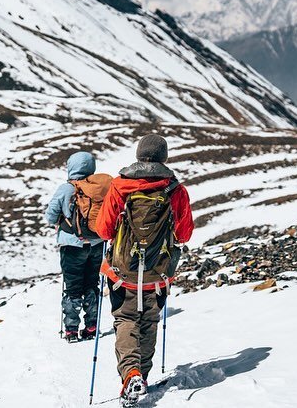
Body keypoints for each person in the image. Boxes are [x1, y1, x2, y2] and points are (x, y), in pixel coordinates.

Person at [96, 134, 194, 406]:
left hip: (122, 272)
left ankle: (131, 376)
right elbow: (184, 234)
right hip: (158, 273)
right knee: (149, 322)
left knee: (125, 320)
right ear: (164, 156)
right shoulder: (175, 189)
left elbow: (103, 229)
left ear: (139, 155)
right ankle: (143, 379)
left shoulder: (119, 186)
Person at [44, 151, 110, 343]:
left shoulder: (66, 189)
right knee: (92, 285)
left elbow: (50, 217)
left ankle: (71, 331)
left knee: (72, 288)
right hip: (97, 244)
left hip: (72, 246)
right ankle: (91, 327)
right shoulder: (100, 188)